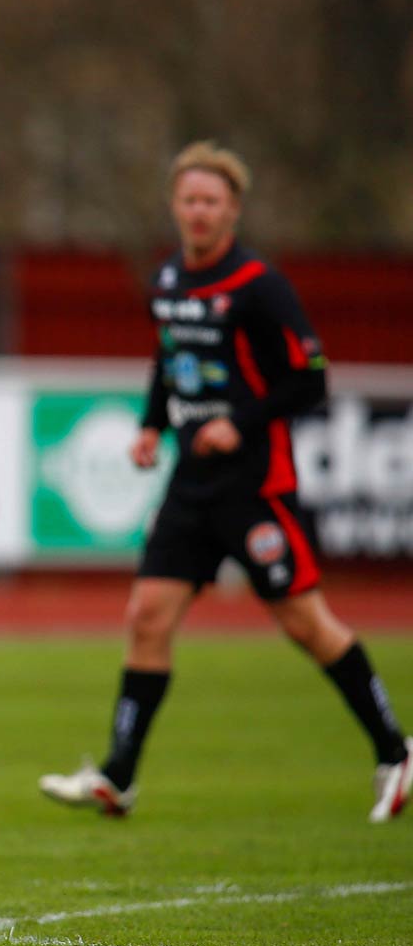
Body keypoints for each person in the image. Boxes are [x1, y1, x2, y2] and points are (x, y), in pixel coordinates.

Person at [40, 142, 411, 822]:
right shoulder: (169, 281)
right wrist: (153, 425)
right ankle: (119, 775)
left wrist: (242, 421)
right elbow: (169, 359)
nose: (199, 212)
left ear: (233, 209)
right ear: (175, 206)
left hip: (256, 484)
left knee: (304, 624)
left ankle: (395, 750)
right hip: (192, 484)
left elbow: (311, 378)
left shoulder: (260, 286)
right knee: (147, 617)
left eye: (211, 201)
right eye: (189, 200)